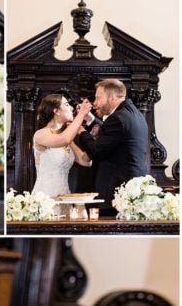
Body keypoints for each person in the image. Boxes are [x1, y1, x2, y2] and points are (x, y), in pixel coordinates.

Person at [76, 78, 150, 211]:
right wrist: (91, 120)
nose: (95, 103)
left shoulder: (117, 118)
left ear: (111, 97)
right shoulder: (134, 114)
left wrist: (81, 131)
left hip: (117, 191)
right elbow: (111, 134)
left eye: (98, 98)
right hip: (132, 187)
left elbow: (96, 151)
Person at [32, 94, 93, 197]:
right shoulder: (41, 134)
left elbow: (86, 162)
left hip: (65, 196)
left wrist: (92, 138)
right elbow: (65, 139)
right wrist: (81, 114)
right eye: (67, 104)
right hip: (46, 196)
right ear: (56, 111)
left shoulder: (67, 140)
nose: (72, 108)